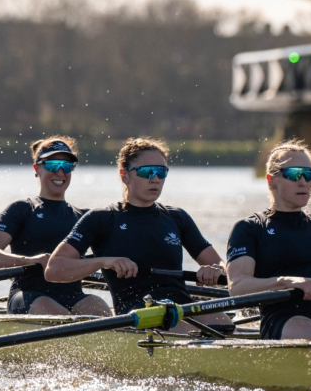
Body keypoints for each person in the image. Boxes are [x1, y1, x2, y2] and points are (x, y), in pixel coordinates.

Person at [45, 137, 230, 332]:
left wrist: (215, 270)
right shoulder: (102, 218)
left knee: (224, 322)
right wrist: (103, 262)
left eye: (161, 172)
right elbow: (53, 269)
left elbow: (223, 266)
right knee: (186, 329)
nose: (155, 179)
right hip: (137, 312)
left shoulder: (177, 217)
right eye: (146, 171)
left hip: (179, 308)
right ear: (124, 175)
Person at [226, 139, 311, 339]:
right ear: (271, 180)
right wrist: (286, 282)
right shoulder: (250, 228)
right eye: (293, 174)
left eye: (308, 174)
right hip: (284, 322)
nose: (302, 181)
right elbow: (238, 287)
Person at [0, 137, 110, 316]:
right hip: (28, 294)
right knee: (54, 312)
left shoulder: (84, 216)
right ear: (36, 168)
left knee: (98, 306)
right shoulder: (22, 209)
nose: (60, 172)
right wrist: (32, 261)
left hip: (73, 295)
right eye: (53, 165)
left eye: (67, 166)